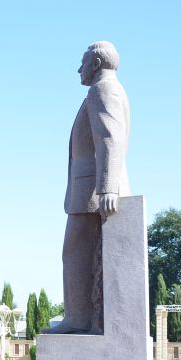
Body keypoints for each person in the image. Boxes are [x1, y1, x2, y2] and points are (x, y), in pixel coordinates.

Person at [48, 41, 131, 335]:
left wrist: (107, 188)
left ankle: (78, 318)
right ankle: (81, 316)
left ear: (95, 64)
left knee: (75, 252)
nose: (78, 69)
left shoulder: (102, 90)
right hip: (92, 189)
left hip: (92, 192)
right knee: (79, 252)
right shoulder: (108, 90)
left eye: (83, 63)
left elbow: (110, 137)